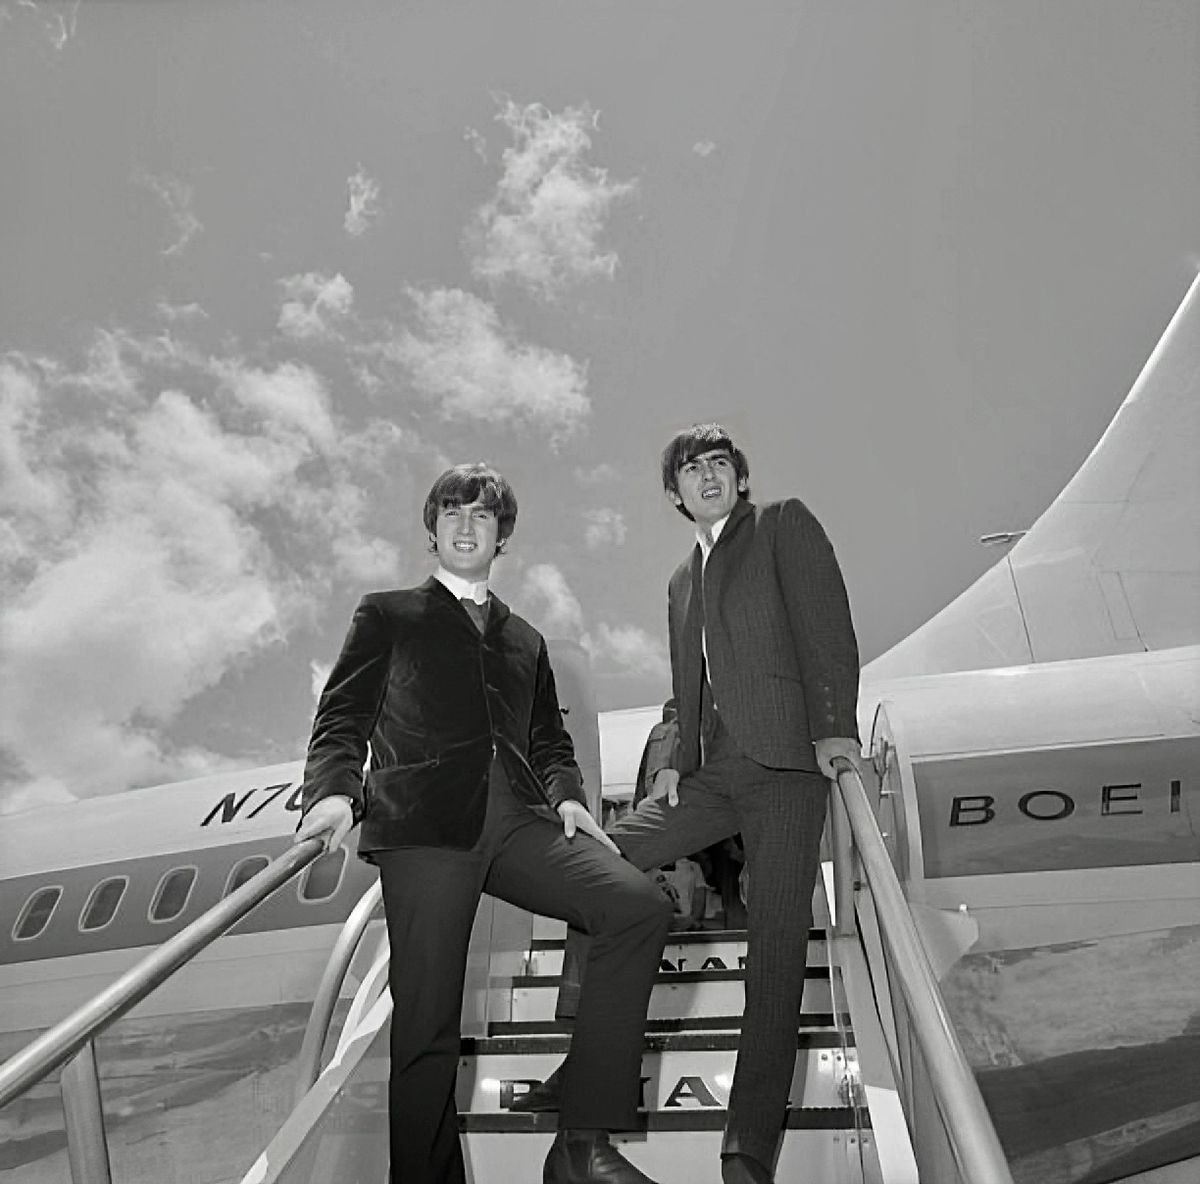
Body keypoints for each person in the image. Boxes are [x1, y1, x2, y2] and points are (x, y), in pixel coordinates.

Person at [295, 463, 673, 1184]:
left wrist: (566, 795)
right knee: (427, 1029)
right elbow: (341, 717)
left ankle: (579, 1144)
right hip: (426, 828)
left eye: (484, 516)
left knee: (636, 906)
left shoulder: (524, 639)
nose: (467, 525)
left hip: (517, 821)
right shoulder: (388, 614)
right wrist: (335, 791)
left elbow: (547, 741)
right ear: (432, 531)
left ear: (504, 537)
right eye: (453, 513)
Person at [515, 425, 861, 1184]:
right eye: (690, 469)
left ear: (739, 477)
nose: (706, 475)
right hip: (710, 777)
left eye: (719, 464)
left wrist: (835, 731)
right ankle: (587, 1076)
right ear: (673, 494)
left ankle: (746, 1156)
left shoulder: (781, 526)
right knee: (593, 859)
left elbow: (827, 632)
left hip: (786, 770)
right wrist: (673, 764)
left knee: (773, 962)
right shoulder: (680, 583)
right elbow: (685, 694)